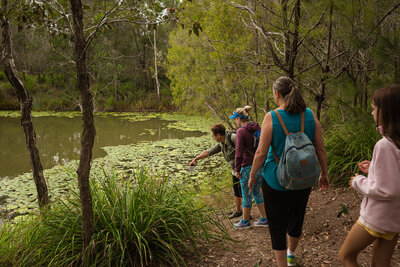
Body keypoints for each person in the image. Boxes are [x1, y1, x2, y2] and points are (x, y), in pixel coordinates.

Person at [249, 76, 329, 267]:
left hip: (275, 181)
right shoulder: (309, 115)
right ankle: (291, 254)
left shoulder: (272, 117)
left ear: (277, 94)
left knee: (277, 226)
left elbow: (260, 152)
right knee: (296, 219)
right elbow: (320, 148)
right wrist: (324, 174)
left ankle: (282, 264)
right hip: (304, 179)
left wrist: (252, 175)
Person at [338, 85, 400, 267]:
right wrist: (373, 167)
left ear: (386, 111)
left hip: (377, 217)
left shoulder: (384, 145)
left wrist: (358, 181)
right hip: (394, 219)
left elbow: (387, 189)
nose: (372, 113)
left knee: (346, 256)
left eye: (374, 108)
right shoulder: (396, 142)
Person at [189, 123, 243, 219]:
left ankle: (249, 216)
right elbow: (209, 152)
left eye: (213, 136)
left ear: (218, 135)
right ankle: (238, 211)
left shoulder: (234, 138)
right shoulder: (221, 143)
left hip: (243, 169)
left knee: (245, 191)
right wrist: (196, 158)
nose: (213, 138)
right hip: (234, 170)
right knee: (237, 191)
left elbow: (246, 148)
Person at [230, 106, 268, 229]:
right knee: (257, 192)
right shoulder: (257, 128)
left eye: (234, 119)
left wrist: (236, 169)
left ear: (238, 119)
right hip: (259, 166)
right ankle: (264, 219)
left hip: (247, 167)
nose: (234, 121)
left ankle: (245, 221)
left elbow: (238, 152)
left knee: (246, 194)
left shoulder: (241, 131)